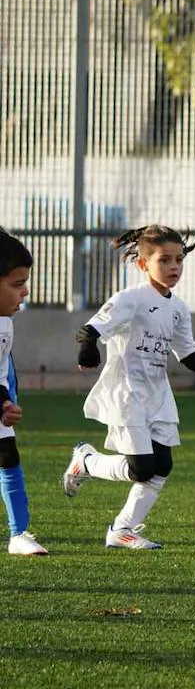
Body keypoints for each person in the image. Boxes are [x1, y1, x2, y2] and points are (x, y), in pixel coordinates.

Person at [62, 225, 195, 549]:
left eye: (179, 260)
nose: (174, 267)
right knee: (141, 468)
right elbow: (91, 329)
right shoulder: (130, 299)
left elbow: (185, 349)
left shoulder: (178, 308)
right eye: (165, 260)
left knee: (162, 465)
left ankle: (123, 529)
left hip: (158, 393)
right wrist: (88, 347)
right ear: (143, 264)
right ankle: (86, 461)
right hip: (128, 392)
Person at [0, 228, 44, 556]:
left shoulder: (5, 323)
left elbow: (1, 372)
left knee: (8, 455)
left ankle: (19, 534)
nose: (25, 293)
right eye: (17, 285)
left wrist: (5, 400)